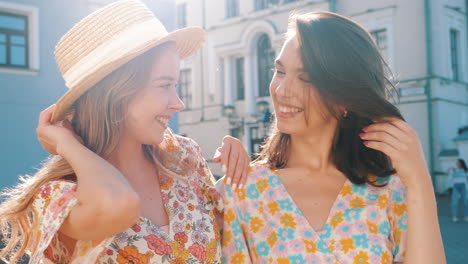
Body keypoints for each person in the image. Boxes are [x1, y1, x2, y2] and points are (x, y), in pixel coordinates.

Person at [0, 1, 250, 263]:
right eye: (165, 85)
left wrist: (238, 169)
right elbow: (119, 204)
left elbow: (233, 233)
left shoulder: (185, 157)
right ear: (117, 94)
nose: (178, 103)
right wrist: (67, 144)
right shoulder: (59, 196)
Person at [216, 12, 445, 264]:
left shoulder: (389, 190)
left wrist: (419, 181)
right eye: (280, 71)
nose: (282, 90)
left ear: (345, 95)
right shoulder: (240, 190)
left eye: (305, 78)